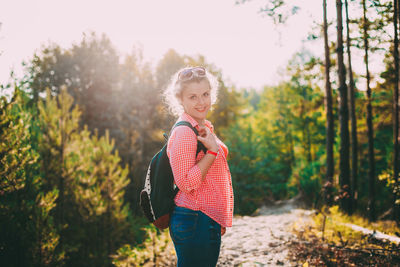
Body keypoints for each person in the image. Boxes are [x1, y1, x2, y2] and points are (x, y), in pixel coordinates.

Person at [163, 66, 234, 266]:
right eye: (193, 97)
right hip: (194, 218)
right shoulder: (185, 132)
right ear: (181, 100)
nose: (201, 102)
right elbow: (185, 182)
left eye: (205, 94)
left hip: (203, 218)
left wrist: (217, 215)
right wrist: (212, 152)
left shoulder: (202, 126)